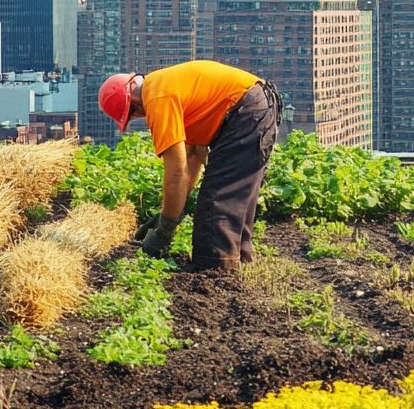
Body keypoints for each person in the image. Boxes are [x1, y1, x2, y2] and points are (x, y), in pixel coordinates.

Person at [98, 60, 282, 269]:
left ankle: (214, 270)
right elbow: (193, 157)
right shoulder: (167, 86)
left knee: (217, 198)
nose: (139, 116)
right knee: (236, 195)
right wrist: (168, 215)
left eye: (133, 112)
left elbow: (176, 173)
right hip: (256, 106)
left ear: (133, 98)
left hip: (247, 111)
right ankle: (241, 260)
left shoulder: (157, 97)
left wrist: (164, 230)